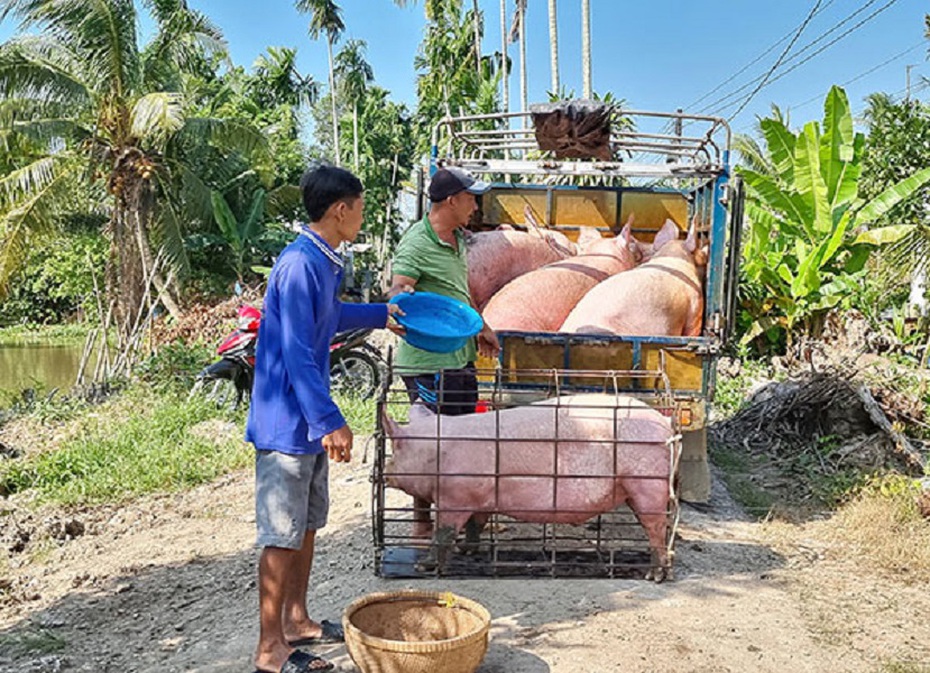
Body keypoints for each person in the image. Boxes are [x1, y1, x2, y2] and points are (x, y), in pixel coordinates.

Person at [245, 163, 403, 673]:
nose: (362, 215)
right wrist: (329, 418)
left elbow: (328, 317)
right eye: (360, 207)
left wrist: (383, 314)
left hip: (304, 424)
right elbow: (296, 350)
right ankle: (271, 650)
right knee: (281, 531)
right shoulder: (298, 264)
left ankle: (296, 620)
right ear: (341, 210)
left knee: (307, 524)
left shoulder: (322, 260)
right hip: (287, 422)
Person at [389, 166, 500, 538]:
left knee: (460, 443)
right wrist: (401, 298)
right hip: (427, 362)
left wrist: (480, 327)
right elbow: (399, 289)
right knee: (429, 444)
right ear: (451, 200)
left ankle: (460, 520)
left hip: (458, 357)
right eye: (471, 198)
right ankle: (423, 526)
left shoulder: (456, 241)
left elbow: (457, 296)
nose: (475, 205)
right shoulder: (417, 242)